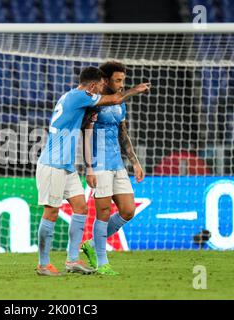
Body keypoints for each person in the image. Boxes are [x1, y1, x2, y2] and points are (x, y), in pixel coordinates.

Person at [35, 66, 150, 276]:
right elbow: (113, 101)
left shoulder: (75, 97)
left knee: (80, 207)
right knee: (51, 212)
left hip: (67, 165)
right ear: (94, 85)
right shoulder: (81, 96)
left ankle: (72, 260)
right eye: (100, 85)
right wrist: (135, 90)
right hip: (52, 163)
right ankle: (43, 264)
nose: (100, 89)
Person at [81, 61, 149, 275]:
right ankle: (102, 263)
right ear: (106, 80)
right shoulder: (95, 102)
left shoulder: (120, 104)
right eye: (118, 80)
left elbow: (122, 133)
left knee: (128, 210)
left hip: (117, 163)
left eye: (124, 81)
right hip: (99, 162)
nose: (121, 84)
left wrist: (135, 161)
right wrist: (89, 167)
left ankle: (92, 245)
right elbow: (86, 133)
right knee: (102, 212)